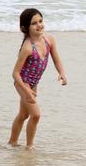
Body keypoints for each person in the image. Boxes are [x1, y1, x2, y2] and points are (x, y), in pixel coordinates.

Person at [9, 8, 68, 149]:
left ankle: (12, 142)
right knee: (36, 115)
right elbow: (15, 73)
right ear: (25, 28)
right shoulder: (28, 47)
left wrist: (62, 73)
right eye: (34, 23)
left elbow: (56, 59)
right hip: (22, 83)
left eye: (40, 21)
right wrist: (26, 91)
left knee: (23, 115)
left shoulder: (49, 40)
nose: (39, 25)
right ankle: (29, 147)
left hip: (34, 83)